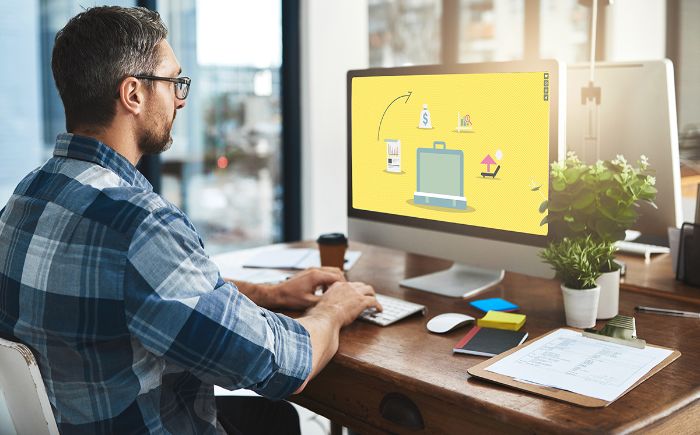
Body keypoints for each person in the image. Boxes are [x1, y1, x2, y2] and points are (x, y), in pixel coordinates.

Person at [0, 6, 381, 434]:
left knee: (271, 421)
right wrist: (333, 310)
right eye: (174, 82)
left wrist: (271, 293)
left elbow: (147, 292)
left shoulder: (27, 195)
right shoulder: (137, 222)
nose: (181, 98)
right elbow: (278, 365)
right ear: (133, 94)